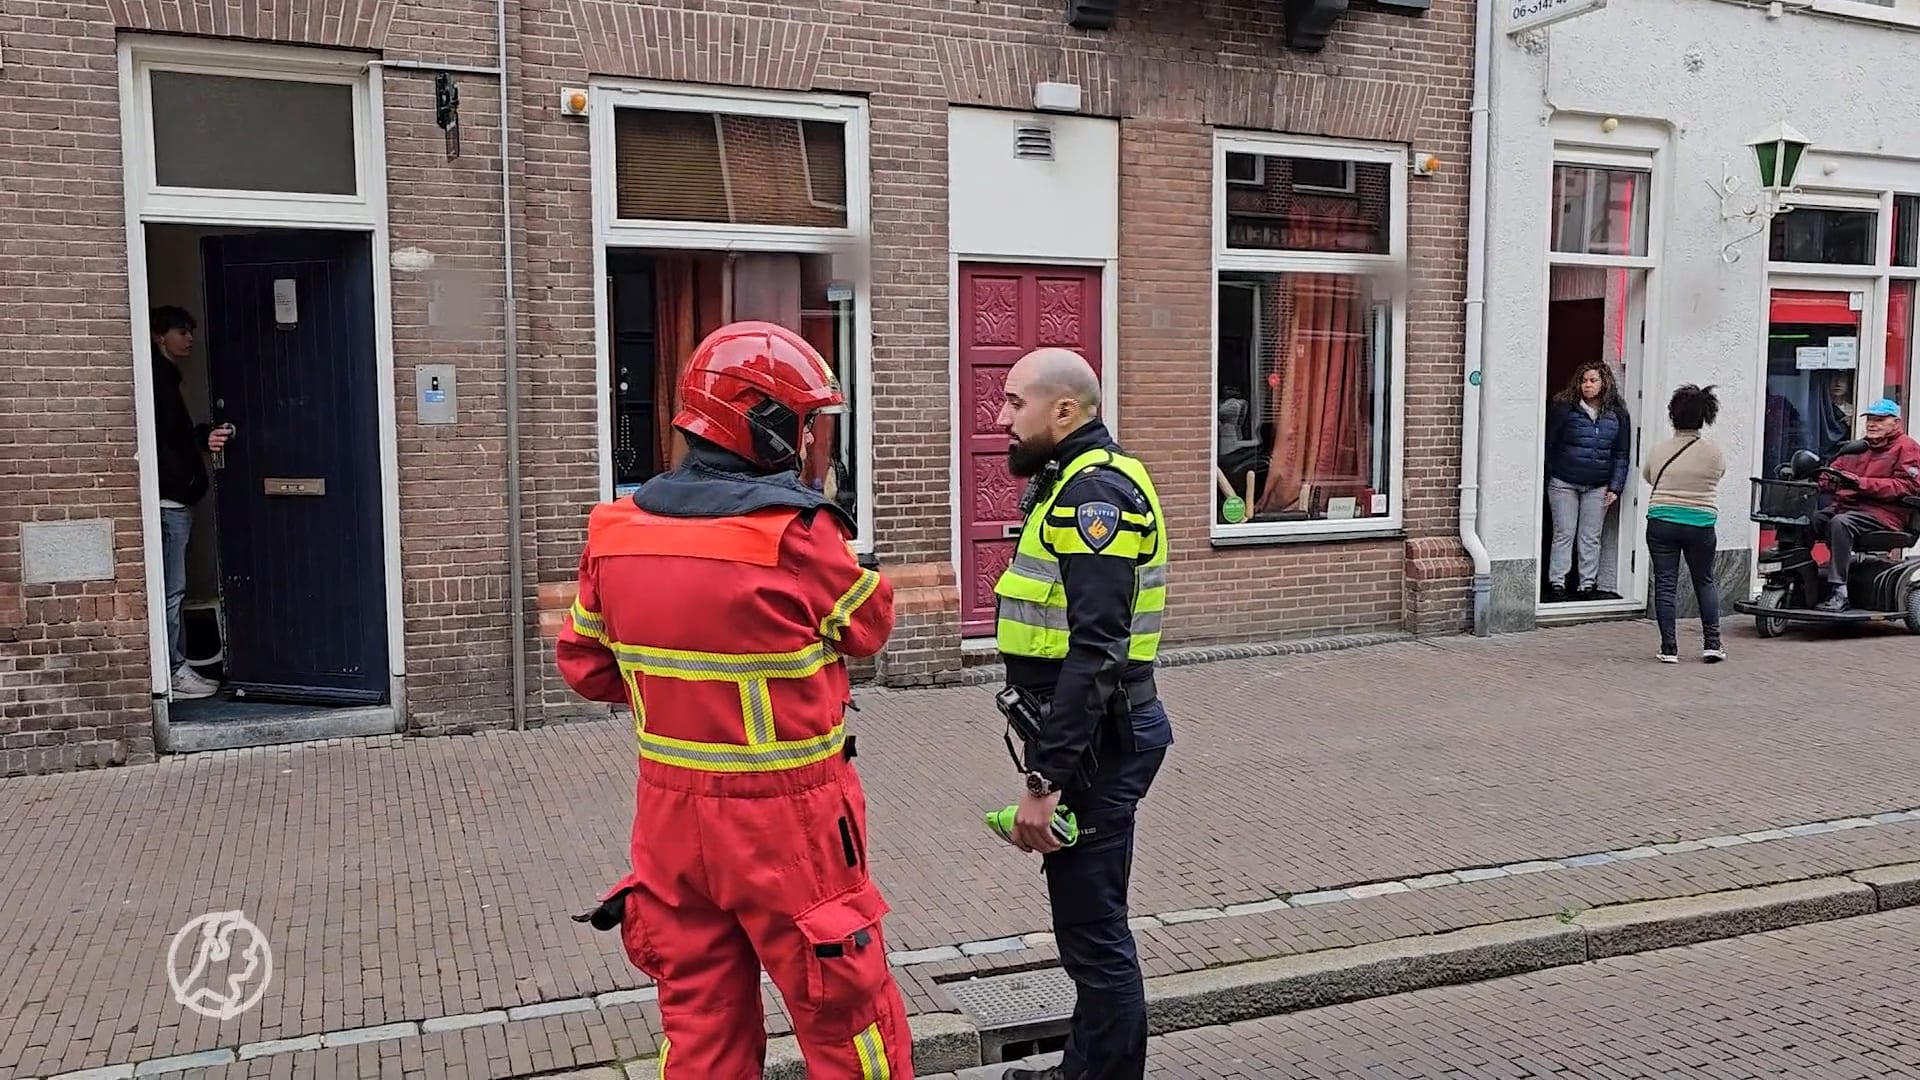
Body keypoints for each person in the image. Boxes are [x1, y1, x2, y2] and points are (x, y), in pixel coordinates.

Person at [556, 321, 914, 1079]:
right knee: (847, 1016)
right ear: (766, 423)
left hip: (668, 824)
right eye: (805, 423)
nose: (811, 440)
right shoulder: (796, 535)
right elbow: (869, 626)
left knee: (701, 1029)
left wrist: (682, 697)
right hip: (790, 824)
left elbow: (586, 667)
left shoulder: (613, 532)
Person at [991, 347, 1173, 1080]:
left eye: (1014, 402)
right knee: (1086, 930)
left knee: (1094, 935)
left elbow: (1098, 648)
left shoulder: (1093, 493)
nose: (1001, 417)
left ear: (1063, 411)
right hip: (1094, 739)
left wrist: (1046, 780)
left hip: (1101, 743)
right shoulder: (1070, 480)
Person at [150, 305, 232, 701]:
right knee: (171, 590)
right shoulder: (155, 381)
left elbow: (176, 439)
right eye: (181, 331)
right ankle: (173, 672)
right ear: (159, 335)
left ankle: (174, 667)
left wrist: (202, 439)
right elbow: (164, 442)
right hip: (169, 502)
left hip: (175, 497)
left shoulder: (166, 379)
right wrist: (180, 480)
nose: (189, 339)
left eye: (190, 332)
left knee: (172, 589)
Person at [1641, 384, 1728, 664]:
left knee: (1665, 584)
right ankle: (1712, 644)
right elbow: (1719, 475)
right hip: (1700, 522)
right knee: (1704, 580)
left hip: (1662, 520)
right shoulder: (1714, 452)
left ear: (1672, 416)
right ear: (1704, 417)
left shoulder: (1659, 450)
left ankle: (1669, 648)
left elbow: (1649, 476)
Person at [1812, 397, 1920, 612]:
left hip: (1885, 514)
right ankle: (1804, 578)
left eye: (1879, 420)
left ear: (1896, 423)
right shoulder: (1859, 447)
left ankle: (1839, 591)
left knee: (1840, 523)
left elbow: (1908, 486)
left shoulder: (1907, 448)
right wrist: (1819, 477)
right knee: (1813, 519)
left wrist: (1861, 483)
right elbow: (1833, 472)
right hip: (1850, 508)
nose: (1872, 424)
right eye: (1870, 419)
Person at [1543, 361, 1633, 602]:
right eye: (1584, 381)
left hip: (1598, 484)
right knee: (1564, 532)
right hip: (1563, 481)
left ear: (1604, 383)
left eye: (1593, 380)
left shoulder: (1617, 415)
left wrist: (1616, 486)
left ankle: (1587, 584)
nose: (1587, 385)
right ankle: (1557, 583)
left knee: (1591, 535)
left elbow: (1621, 454)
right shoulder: (1565, 409)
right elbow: (1550, 443)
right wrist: (1548, 474)